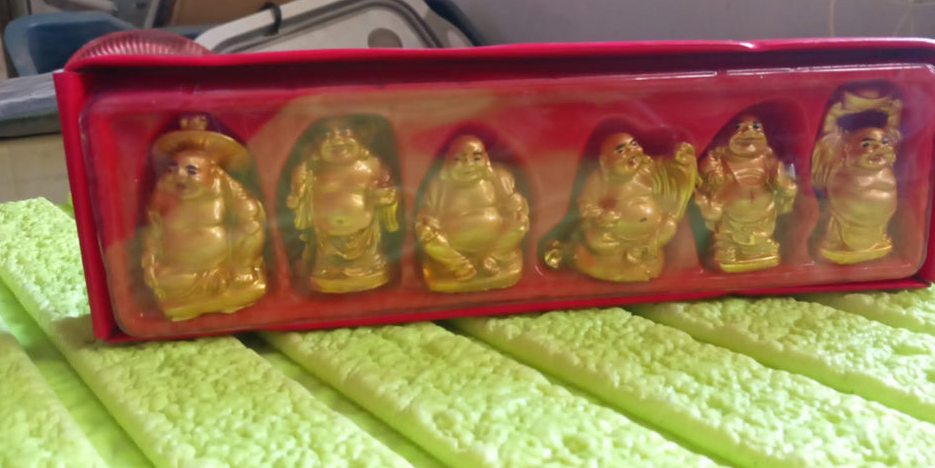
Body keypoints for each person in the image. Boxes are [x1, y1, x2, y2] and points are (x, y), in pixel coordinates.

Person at [142, 113, 267, 321]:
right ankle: (196, 298)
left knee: (253, 229)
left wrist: (243, 257)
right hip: (180, 272)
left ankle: (237, 276)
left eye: (191, 170)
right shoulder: (165, 190)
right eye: (174, 169)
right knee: (163, 282)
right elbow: (153, 228)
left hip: (224, 265)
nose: (180, 176)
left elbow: (249, 212)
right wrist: (151, 259)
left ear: (213, 171)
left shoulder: (223, 184)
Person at [544, 133, 698, 282]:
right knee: (595, 240)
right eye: (621, 151)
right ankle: (622, 256)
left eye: (634, 144)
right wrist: (602, 214)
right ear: (605, 162)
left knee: (669, 225)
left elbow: (666, 171)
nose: (631, 152)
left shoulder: (646, 169)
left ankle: (641, 250)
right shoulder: (600, 179)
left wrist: (681, 163)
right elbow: (586, 204)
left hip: (648, 233)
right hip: (615, 232)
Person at [287, 116, 400, 293]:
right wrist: (299, 192)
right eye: (327, 135)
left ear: (360, 137)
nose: (337, 140)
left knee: (370, 262)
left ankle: (368, 268)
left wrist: (385, 199)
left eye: (345, 133)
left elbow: (388, 192)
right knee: (326, 265)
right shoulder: (310, 170)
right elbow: (297, 201)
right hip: (325, 239)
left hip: (365, 236)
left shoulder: (373, 166)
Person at [416, 135, 529, 292]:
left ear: (486, 159)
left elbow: (514, 201)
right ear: (449, 161)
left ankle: (493, 258)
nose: (469, 165)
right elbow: (427, 211)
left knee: (520, 222)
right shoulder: (439, 185)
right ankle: (458, 264)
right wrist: (427, 221)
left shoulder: (499, 178)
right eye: (460, 159)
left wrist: (516, 204)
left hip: (495, 238)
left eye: (476, 158)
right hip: (452, 242)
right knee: (425, 234)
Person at [695, 115, 798, 272]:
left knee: (762, 238)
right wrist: (714, 176)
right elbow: (706, 177)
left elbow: (784, 183)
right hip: (730, 210)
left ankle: (761, 246)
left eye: (756, 127)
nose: (749, 132)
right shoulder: (719, 159)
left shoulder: (768, 159)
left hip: (764, 210)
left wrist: (781, 182)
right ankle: (727, 246)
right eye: (739, 127)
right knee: (726, 234)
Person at [811, 87, 901, 264]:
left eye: (883, 143)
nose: (879, 148)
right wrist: (831, 116)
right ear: (847, 149)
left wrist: (894, 115)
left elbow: (893, 134)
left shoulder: (886, 162)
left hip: (879, 225)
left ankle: (877, 241)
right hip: (845, 221)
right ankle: (836, 242)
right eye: (867, 144)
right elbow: (828, 140)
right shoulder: (841, 158)